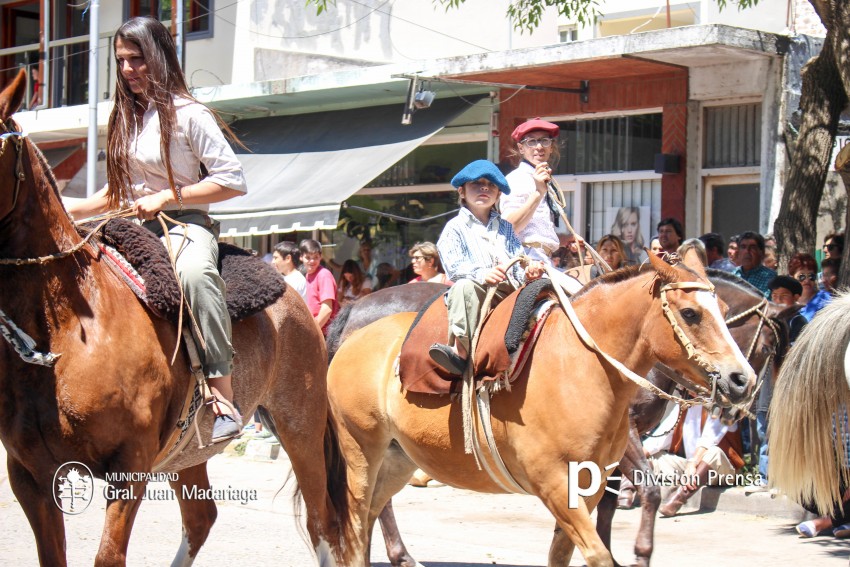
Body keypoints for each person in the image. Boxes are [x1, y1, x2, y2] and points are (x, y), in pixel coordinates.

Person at [63, 17, 246, 444]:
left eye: (137, 59)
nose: (128, 69)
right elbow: (117, 192)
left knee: (196, 277)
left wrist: (167, 197)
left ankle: (224, 398)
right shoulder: (128, 117)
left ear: (160, 57)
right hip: (131, 225)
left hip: (183, 225)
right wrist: (67, 206)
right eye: (122, 61)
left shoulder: (191, 115)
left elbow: (233, 179)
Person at [430, 160, 544, 377]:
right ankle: (460, 353)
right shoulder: (454, 228)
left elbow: (517, 260)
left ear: (498, 195)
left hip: (511, 290)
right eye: (476, 184)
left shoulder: (506, 228)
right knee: (463, 287)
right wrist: (483, 274)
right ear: (462, 192)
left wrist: (528, 272)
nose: (485, 188)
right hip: (478, 291)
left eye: (491, 185)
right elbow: (454, 266)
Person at [644, 401, 744, 517]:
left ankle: (678, 499)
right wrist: (635, 457)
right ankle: (627, 488)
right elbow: (658, 439)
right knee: (653, 456)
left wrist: (692, 463)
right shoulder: (683, 406)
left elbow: (708, 440)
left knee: (713, 452)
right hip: (691, 468)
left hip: (723, 471)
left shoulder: (724, 408)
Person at [501, 118, 563, 264]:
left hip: (546, 259)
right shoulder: (517, 179)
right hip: (526, 258)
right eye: (531, 142)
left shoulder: (548, 181)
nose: (539, 146)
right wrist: (538, 193)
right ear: (521, 148)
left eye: (544, 141)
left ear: (551, 147)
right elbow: (509, 227)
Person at [300, 239, 339, 335]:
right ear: (301, 257)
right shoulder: (308, 275)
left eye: (316, 257)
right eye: (308, 257)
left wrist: (311, 332)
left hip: (326, 333)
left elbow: (326, 309)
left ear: (320, 257)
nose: (312, 261)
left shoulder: (324, 275)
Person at [733, 231, 776, 297]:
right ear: (738, 252)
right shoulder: (732, 274)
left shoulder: (770, 278)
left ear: (761, 252)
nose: (747, 251)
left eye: (752, 247)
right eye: (743, 247)